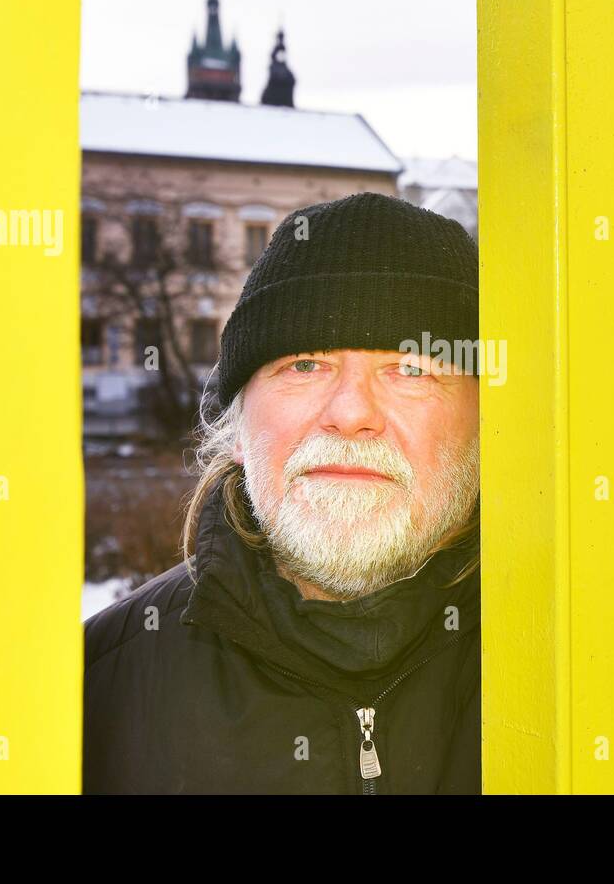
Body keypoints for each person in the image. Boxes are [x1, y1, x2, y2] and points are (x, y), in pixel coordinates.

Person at [82, 191, 482, 793]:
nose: (350, 415)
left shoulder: (580, 666)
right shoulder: (99, 687)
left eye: (411, 369)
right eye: (305, 366)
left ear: (488, 426)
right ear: (238, 426)